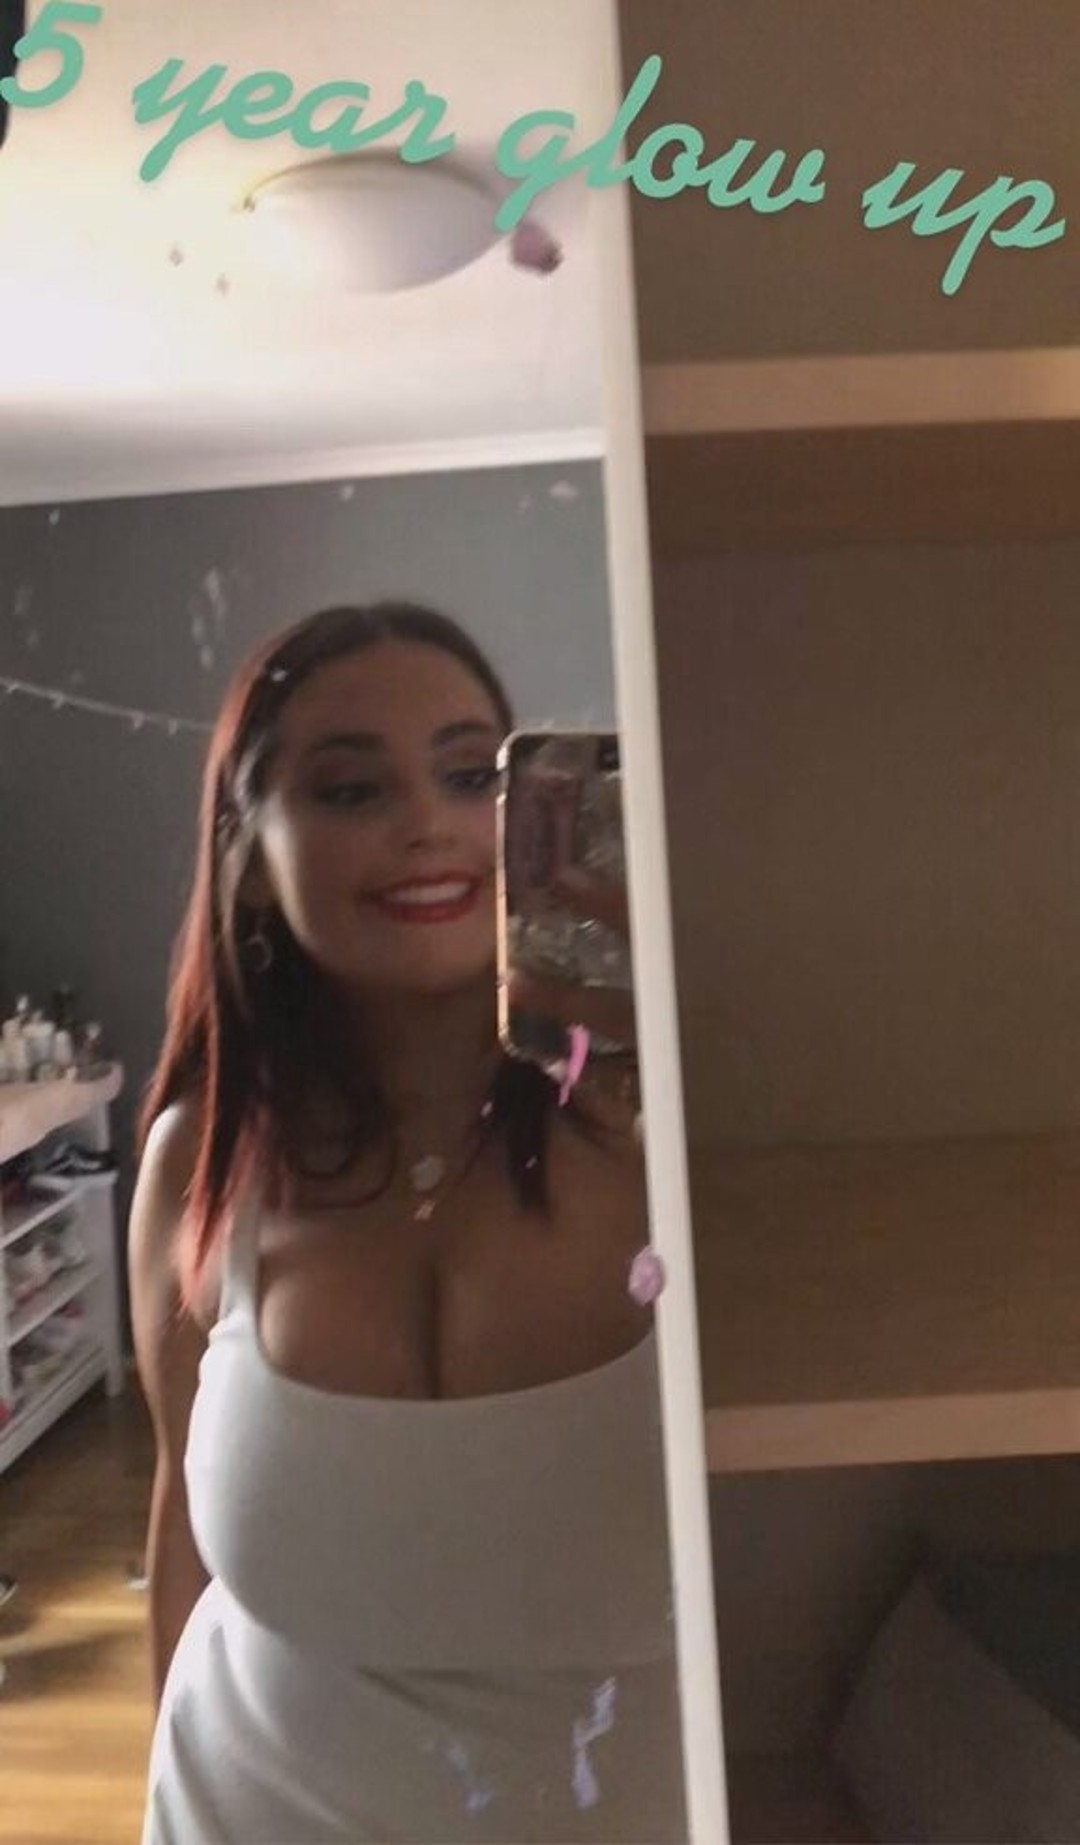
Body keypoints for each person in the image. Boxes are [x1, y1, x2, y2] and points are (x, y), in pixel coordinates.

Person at [129, 602, 685, 1844]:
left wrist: (688, 1030)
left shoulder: (667, 1141)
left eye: (472, 774)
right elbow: (182, 1524)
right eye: (349, 788)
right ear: (247, 856)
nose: (428, 821)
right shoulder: (203, 1166)